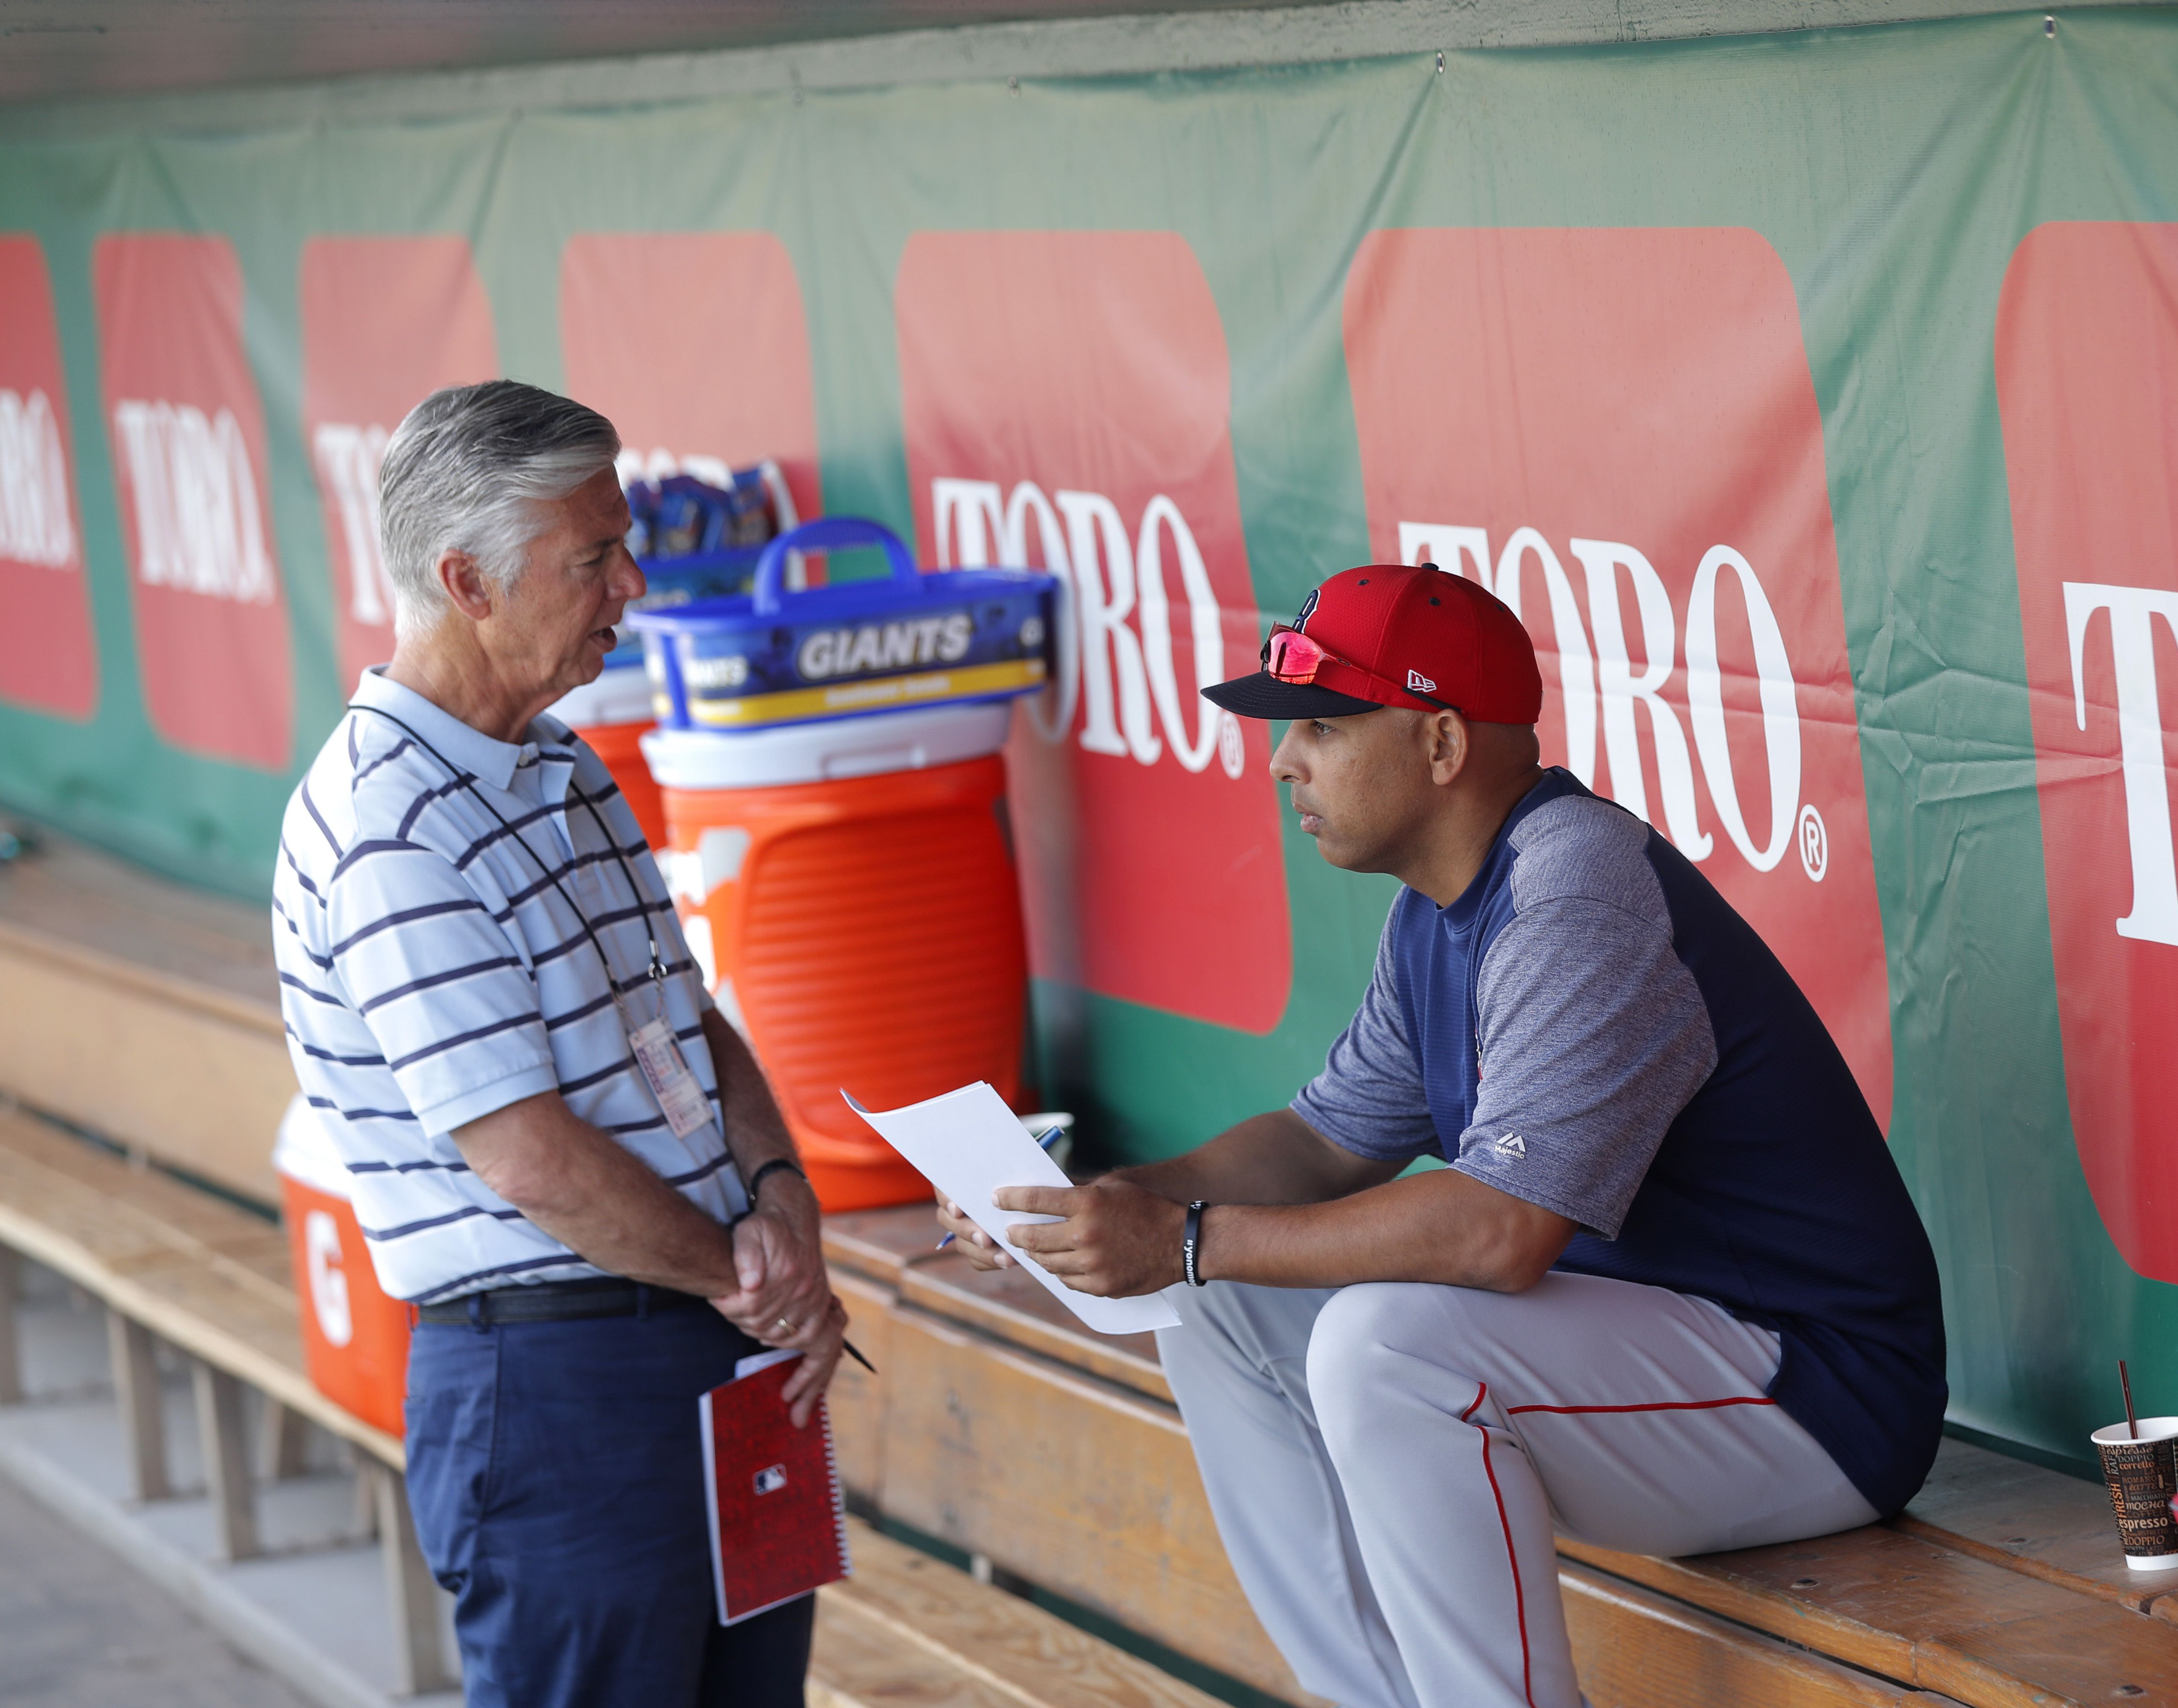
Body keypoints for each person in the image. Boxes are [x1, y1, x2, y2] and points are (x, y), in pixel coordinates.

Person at [938, 562, 1946, 1708]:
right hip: (1651, 1366)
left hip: (1813, 1393)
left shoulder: (1575, 893)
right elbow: (1319, 1149)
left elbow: (1499, 1237)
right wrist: (1091, 1206)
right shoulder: (1438, 907)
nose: (1283, 763)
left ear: (1444, 744)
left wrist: (1181, 1237)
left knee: (1388, 1346)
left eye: (1320, 727)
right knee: (1222, 1297)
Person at [273, 381, 845, 1708]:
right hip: (561, 1384)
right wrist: (752, 1277)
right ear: (466, 579)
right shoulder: (390, 827)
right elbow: (528, 1156)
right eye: (593, 557)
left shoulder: (566, 766)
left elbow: (691, 1020)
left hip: (714, 1335)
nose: (631, 583)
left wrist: (781, 1197)